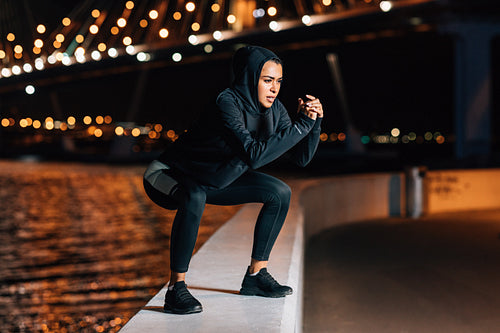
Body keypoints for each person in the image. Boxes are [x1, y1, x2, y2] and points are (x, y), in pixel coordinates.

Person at [143, 45, 324, 314]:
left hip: (214, 179)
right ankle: (175, 289)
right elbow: (253, 155)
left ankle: (255, 276)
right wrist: (300, 126)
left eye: (278, 81)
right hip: (167, 174)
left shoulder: (276, 111)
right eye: (266, 80)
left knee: (279, 193)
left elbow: (301, 159)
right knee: (194, 195)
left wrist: (313, 122)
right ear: (249, 77)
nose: (274, 89)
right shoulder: (226, 102)